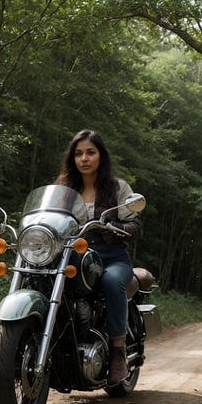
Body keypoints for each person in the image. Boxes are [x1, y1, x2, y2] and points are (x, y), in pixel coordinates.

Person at [56, 129, 143, 386]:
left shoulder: (118, 187)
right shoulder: (63, 188)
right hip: (74, 258)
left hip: (111, 257)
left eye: (90, 153)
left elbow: (136, 225)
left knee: (111, 282)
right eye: (79, 153)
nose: (84, 158)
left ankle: (117, 352)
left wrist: (119, 229)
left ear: (101, 156)